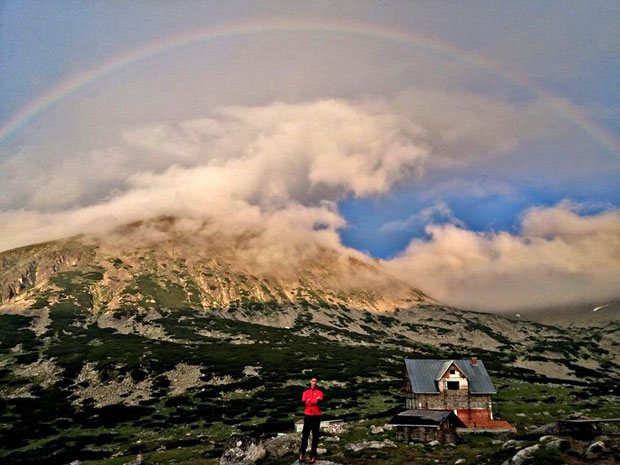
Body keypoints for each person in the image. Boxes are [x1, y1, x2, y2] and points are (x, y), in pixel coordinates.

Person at [299, 376, 323, 463]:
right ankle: (302, 453)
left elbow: (319, 402)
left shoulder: (320, 392)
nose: (314, 382)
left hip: (316, 416)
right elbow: (303, 402)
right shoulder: (305, 392)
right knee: (305, 436)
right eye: (313, 381)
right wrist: (314, 401)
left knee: (315, 437)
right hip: (308, 416)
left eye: (315, 381)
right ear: (310, 381)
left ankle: (313, 455)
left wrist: (310, 400)